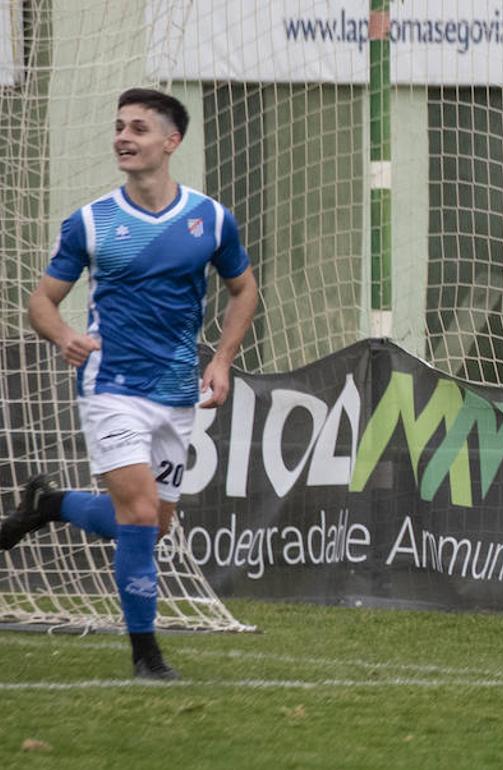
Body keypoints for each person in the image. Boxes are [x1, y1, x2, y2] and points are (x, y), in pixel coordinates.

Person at [0, 88, 258, 680]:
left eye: (138, 128)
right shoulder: (92, 220)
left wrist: (220, 360)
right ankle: (147, 657)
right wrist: (62, 333)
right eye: (119, 127)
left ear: (171, 142)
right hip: (110, 386)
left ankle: (52, 504)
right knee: (141, 513)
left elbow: (244, 289)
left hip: (176, 392)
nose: (124, 137)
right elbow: (41, 299)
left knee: (151, 523)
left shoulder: (210, 219)